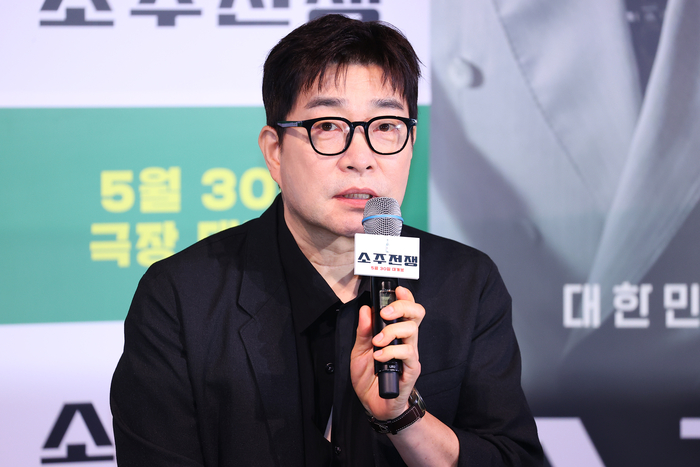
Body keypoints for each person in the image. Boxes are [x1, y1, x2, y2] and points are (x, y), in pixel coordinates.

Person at [110, 14, 543, 467]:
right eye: (329, 126)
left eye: (385, 126)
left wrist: (404, 418)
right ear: (274, 151)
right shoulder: (182, 297)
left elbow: (513, 457)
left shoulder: (467, 283)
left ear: (411, 143)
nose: (361, 158)